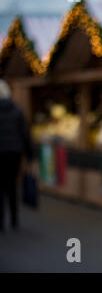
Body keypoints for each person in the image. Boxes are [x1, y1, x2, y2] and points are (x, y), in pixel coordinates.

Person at [0, 80, 33, 231]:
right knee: (12, 185)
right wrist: (30, 154)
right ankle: (14, 219)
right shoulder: (17, 110)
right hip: (15, 152)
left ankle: (1, 222)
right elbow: (25, 134)